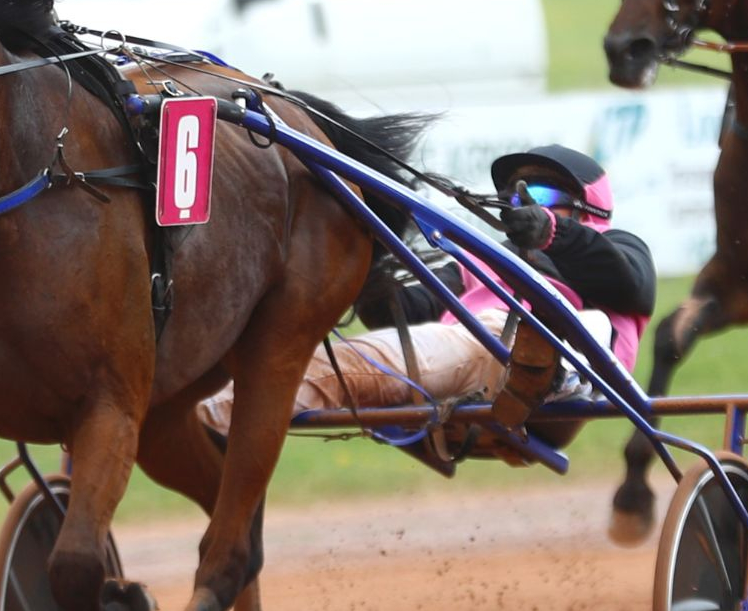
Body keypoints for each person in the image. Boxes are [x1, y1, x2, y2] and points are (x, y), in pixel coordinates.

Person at [195, 145, 655, 444]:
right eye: (514, 196)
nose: (520, 202)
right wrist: (374, 286)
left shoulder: (620, 245)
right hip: (473, 350)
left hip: (567, 355)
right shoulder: (488, 260)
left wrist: (553, 233)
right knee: (364, 358)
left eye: (534, 191)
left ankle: (550, 369)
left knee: (581, 326)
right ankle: (208, 417)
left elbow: (626, 283)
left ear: (585, 200)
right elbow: (417, 311)